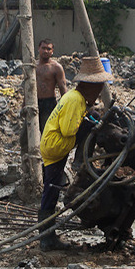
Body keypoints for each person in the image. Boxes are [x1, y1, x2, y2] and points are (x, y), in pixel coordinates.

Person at [38, 56, 113, 251]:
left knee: (94, 116)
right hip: (56, 146)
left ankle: (47, 234)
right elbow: (68, 131)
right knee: (51, 189)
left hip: (55, 146)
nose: (98, 93)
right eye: (97, 88)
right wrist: (87, 121)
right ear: (88, 85)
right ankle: (46, 238)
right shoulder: (75, 100)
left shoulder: (76, 97)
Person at [36, 39, 68, 133]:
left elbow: (63, 87)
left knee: (47, 131)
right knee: (25, 136)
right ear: (39, 49)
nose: (46, 51)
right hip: (34, 102)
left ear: (52, 51)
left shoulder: (56, 67)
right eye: (43, 48)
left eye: (48, 49)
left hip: (48, 103)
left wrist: (65, 106)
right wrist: (24, 104)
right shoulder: (33, 66)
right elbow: (28, 87)